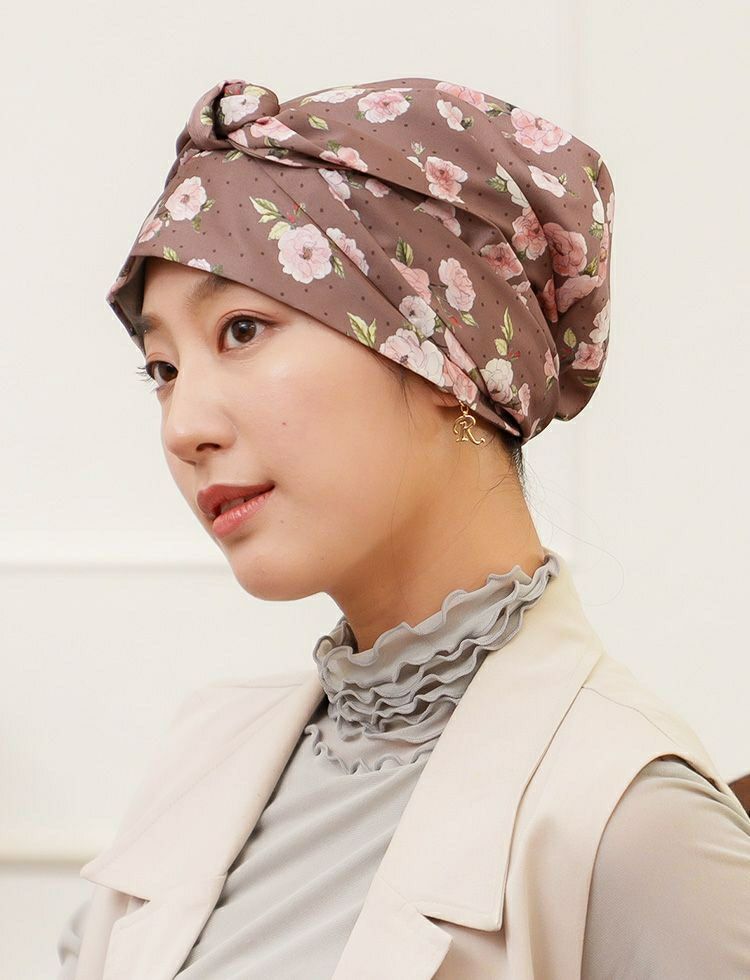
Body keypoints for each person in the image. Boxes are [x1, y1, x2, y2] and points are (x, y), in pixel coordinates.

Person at [56, 76, 750, 978]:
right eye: (162, 368)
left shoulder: (634, 824)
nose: (183, 426)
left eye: (242, 330)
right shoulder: (204, 753)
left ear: (444, 356)